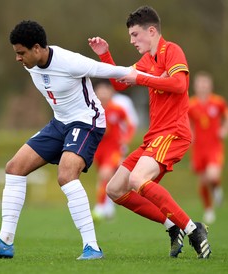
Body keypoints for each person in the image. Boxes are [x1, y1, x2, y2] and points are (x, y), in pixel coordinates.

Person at [0, 20, 138, 261]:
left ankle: (92, 247)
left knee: (66, 175)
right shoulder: (30, 64)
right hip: (59, 123)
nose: (18, 58)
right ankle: (4, 241)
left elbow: (116, 72)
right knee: (14, 168)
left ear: (37, 48)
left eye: (21, 53)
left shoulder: (70, 62)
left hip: (87, 121)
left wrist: (154, 77)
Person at [88, 6, 212, 258]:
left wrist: (143, 78)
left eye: (135, 35)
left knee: (136, 180)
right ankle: (172, 225)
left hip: (173, 133)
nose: (132, 41)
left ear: (151, 31)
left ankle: (193, 229)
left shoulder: (171, 51)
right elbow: (118, 83)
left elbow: (179, 84)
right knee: (115, 189)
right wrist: (105, 55)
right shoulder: (147, 60)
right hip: (154, 136)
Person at [188, 71, 228, 224]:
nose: (202, 86)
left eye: (205, 83)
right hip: (198, 148)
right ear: (195, 86)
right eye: (200, 83)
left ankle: (216, 189)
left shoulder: (218, 102)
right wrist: (190, 135)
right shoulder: (191, 103)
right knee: (203, 181)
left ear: (210, 85)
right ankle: (209, 210)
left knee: (212, 175)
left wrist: (225, 130)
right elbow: (186, 122)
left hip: (214, 147)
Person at [92, 80, 136, 221]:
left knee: (105, 174)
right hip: (98, 149)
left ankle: (99, 207)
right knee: (106, 177)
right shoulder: (91, 109)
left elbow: (130, 125)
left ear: (111, 92)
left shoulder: (117, 109)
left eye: (106, 90)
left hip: (114, 149)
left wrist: (126, 139)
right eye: (100, 90)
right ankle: (109, 206)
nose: (103, 93)